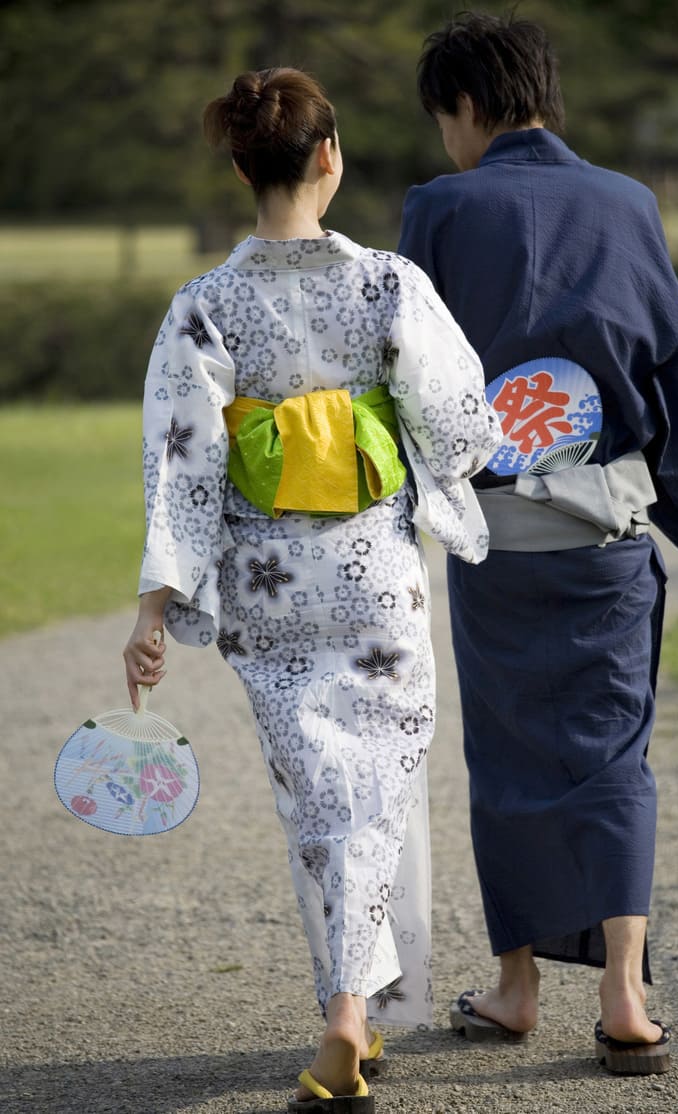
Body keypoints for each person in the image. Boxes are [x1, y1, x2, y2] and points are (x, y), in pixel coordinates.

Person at [123, 66, 501, 1110]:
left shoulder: (204, 306)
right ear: (327, 157)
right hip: (374, 575)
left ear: (244, 165)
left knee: (313, 795)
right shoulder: (386, 284)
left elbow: (180, 466)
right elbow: (459, 425)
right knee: (375, 789)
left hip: (264, 582)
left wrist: (155, 607)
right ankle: (351, 1009)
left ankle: (349, 1007)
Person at [397, 11, 678, 1075]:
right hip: (607, 529)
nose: (447, 137)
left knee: (508, 753)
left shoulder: (437, 209)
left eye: (445, 116)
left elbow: (414, 380)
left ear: (469, 107)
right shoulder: (626, 202)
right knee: (610, 753)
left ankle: (517, 986)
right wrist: (667, 508)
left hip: (494, 540)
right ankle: (625, 996)